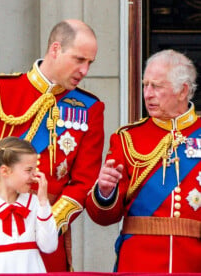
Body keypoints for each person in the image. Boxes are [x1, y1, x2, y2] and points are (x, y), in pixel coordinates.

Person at [0, 19, 105, 271]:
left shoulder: (90, 108)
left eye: (90, 63)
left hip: (46, 233)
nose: (85, 70)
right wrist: (2, 212)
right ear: (55, 49)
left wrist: (45, 221)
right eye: (79, 59)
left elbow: (84, 181)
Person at [85, 49, 201, 273]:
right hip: (138, 263)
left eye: (156, 86)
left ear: (182, 91)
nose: (147, 94)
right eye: (145, 85)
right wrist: (105, 191)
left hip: (193, 262)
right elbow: (102, 216)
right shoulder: (127, 139)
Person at [0, 136, 58, 273]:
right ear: (5, 171)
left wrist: (44, 203)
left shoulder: (35, 203)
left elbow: (49, 246)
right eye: (28, 170)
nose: (34, 176)